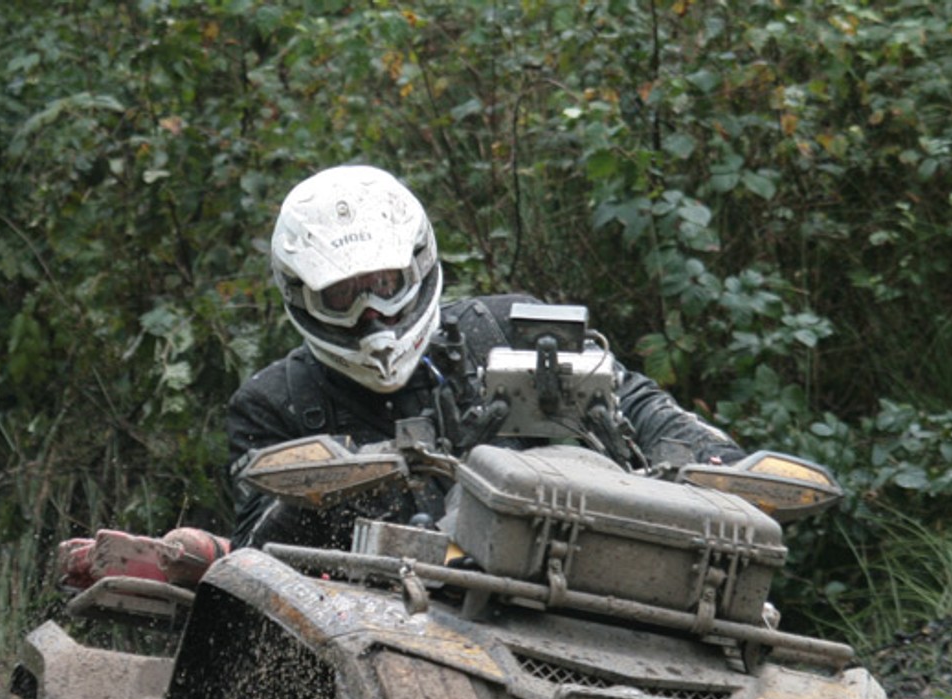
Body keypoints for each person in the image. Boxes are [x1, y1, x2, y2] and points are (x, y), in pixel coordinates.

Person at [227, 164, 743, 548]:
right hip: (370, 613)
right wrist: (333, 483)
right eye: (343, 296)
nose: (372, 314)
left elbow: (634, 400)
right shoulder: (276, 403)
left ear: (417, 267)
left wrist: (708, 459)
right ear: (303, 296)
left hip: (550, 582)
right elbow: (254, 547)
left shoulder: (507, 329)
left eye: (385, 285)